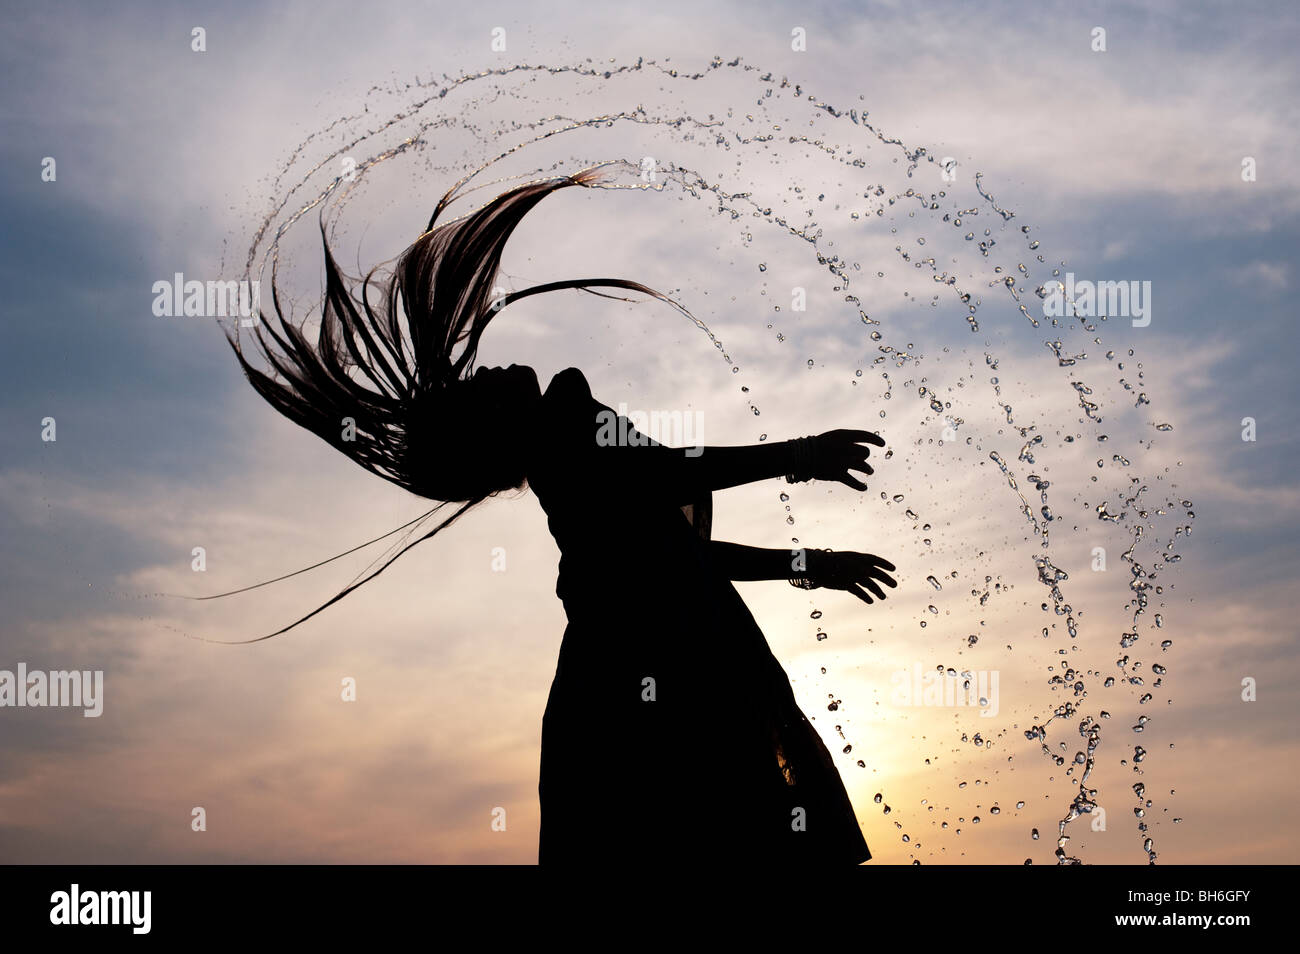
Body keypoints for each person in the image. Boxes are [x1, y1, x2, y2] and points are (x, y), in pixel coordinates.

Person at [229, 166, 898, 864]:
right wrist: (797, 454)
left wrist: (806, 563)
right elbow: (671, 472)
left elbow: (678, 551)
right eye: (476, 393)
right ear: (494, 432)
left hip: (640, 682)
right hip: (655, 685)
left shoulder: (570, 467)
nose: (484, 373)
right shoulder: (567, 436)